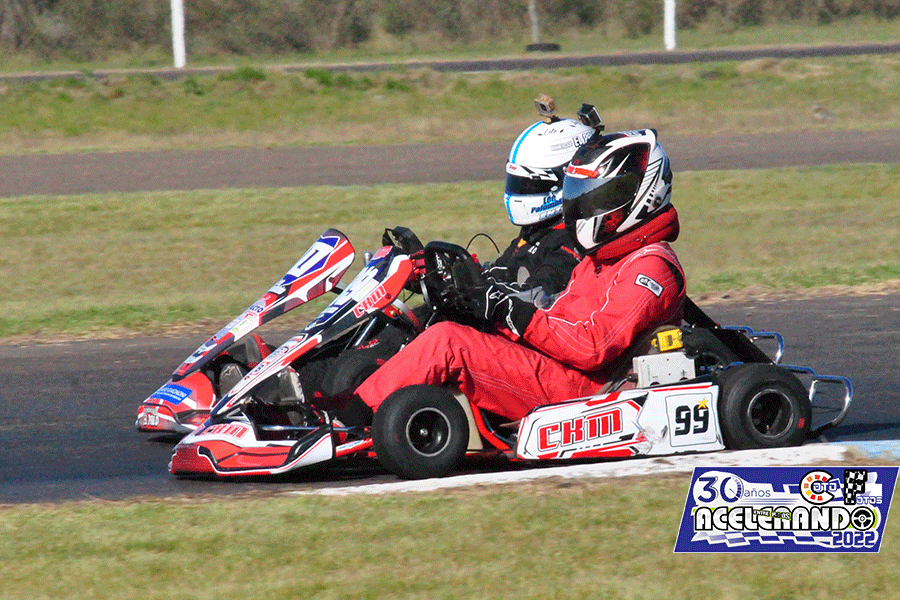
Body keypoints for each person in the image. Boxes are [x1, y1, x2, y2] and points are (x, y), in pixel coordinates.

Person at [338, 122, 686, 427]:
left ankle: (348, 424)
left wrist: (512, 312)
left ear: (643, 194)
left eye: (598, 197)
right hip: (558, 369)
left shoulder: (650, 268)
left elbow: (593, 346)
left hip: (585, 389)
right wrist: (492, 311)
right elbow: (556, 317)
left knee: (450, 342)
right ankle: (351, 405)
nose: (583, 207)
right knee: (451, 326)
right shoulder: (604, 258)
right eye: (582, 196)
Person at [297, 96, 594, 403]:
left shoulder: (573, 243)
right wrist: (440, 272)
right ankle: (296, 369)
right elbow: (505, 271)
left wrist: (475, 289)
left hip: (515, 350)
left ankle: (332, 402)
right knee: (393, 319)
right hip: (488, 329)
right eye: (516, 184)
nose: (519, 194)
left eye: (528, 186)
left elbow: (536, 298)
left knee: (390, 347)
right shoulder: (536, 232)